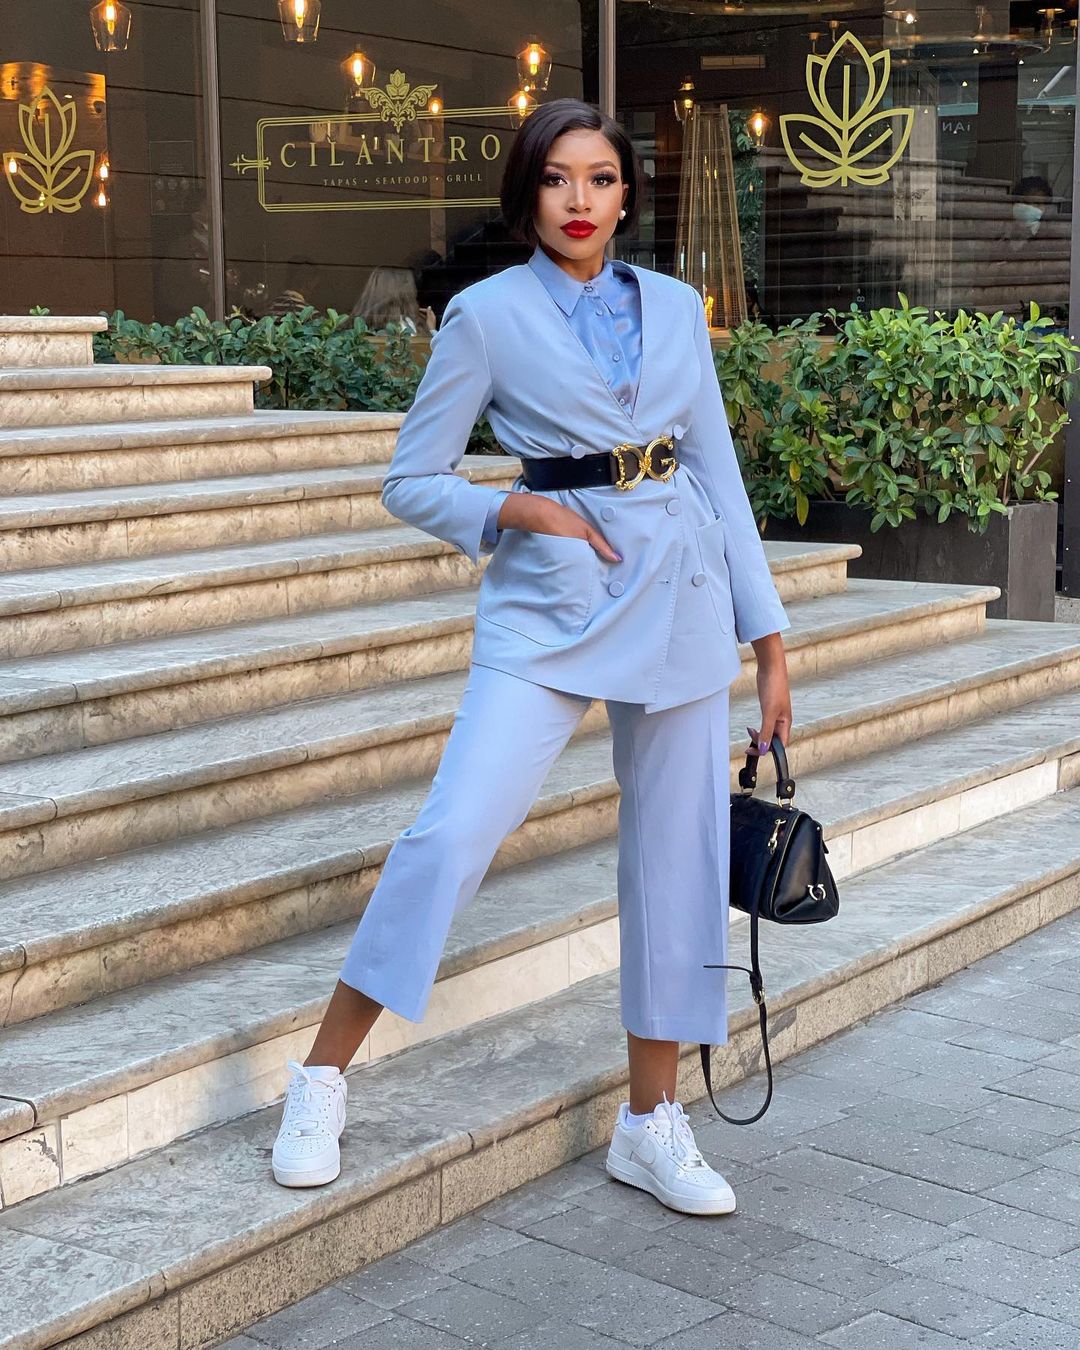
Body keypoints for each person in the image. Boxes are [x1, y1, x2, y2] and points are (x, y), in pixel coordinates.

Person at [271, 97, 793, 1217]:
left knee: (680, 857)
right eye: (558, 179)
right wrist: (514, 507)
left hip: (683, 597)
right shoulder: (486, 315)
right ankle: (319, 1078)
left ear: (626, 193)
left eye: (600, 179)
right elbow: (410, 479)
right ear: (528, 194)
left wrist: (770, 640)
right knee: (454, 830)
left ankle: (651, 1120)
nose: (579, 201)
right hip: (549, 603)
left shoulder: (674, 305)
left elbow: (716, 468)